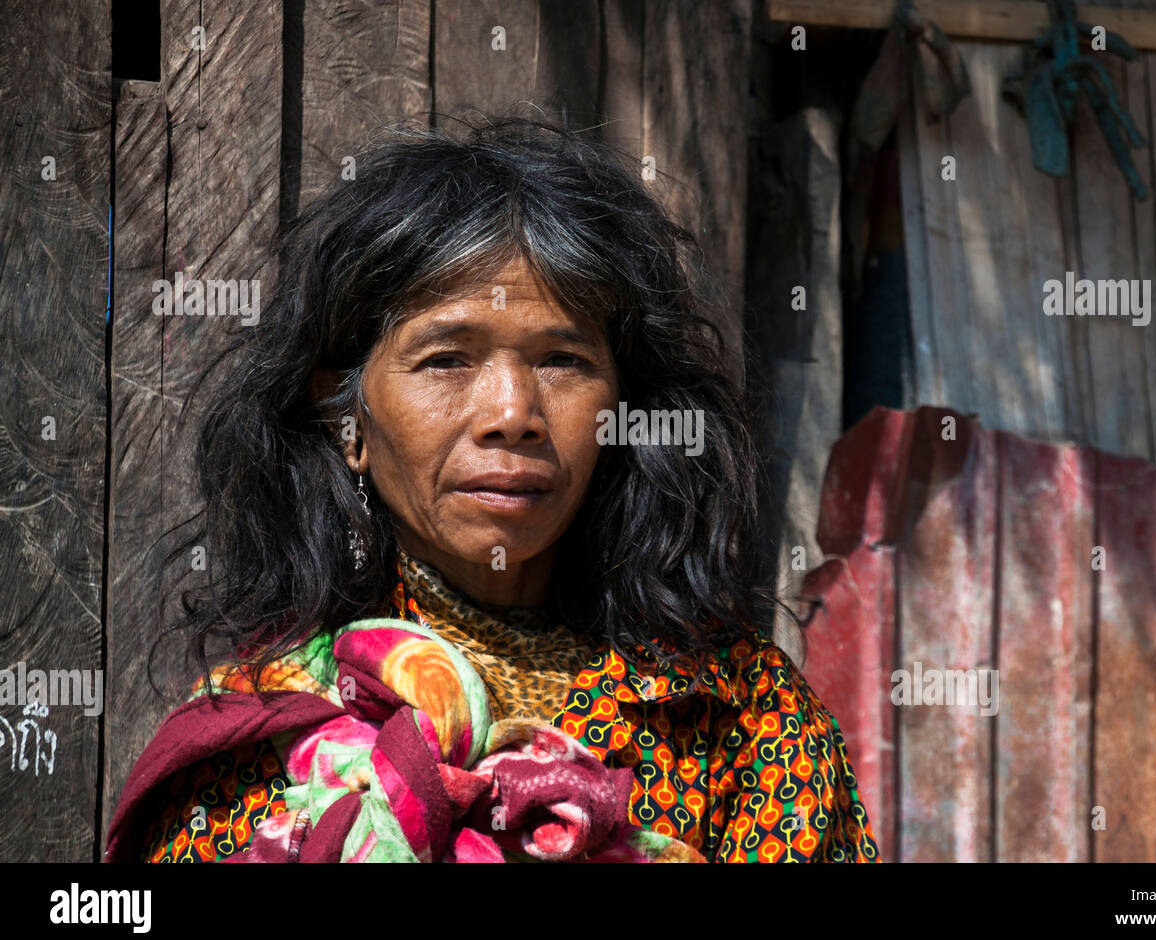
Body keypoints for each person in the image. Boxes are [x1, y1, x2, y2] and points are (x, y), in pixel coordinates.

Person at [105, 115, 882, 863]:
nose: (513, 415)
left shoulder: (735, 717)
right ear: (350, 421)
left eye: (563, 362)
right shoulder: (261, 731)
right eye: (446, 359)